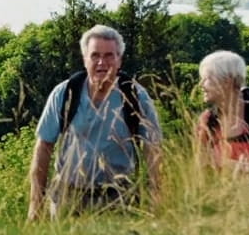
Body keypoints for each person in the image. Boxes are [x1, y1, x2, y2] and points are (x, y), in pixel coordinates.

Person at [28, 25, 164, 221]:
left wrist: (156, 197)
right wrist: (35, 203)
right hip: (68, 196)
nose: (102, 62)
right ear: (85, 60)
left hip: (118, 197)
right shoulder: (65, 94)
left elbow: (153, 148)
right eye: (95, 55)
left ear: (119, 60)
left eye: (109, 56)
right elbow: (44, 146)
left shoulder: (135, 96)